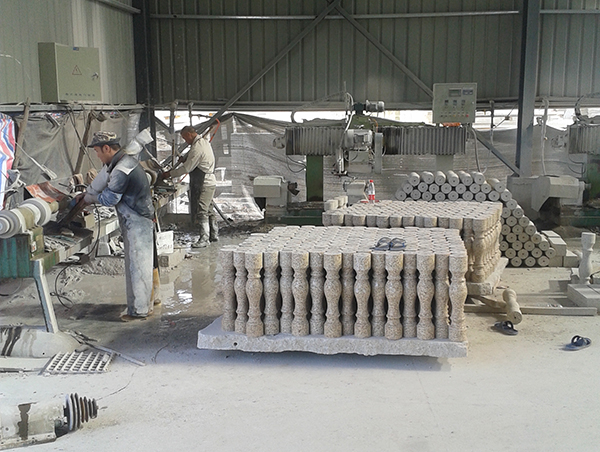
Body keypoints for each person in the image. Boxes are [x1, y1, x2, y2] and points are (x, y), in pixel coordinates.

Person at [78, 131, 155, 321]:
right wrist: (90, 192)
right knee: (142, 263)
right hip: (138, 216)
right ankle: (146, 304)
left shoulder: (121, 170)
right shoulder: (123, 161)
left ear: (106, 148)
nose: (97, 156)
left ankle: (139, 311)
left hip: (137, 220)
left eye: (97, 151)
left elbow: (110, 199)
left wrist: (90, 198)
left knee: (138, 265)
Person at [161, 125, 217, 248]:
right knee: (209, 208)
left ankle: (204, 239)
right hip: (207, 180)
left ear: (189, 134)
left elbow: (186, 168)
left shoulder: (197, 147)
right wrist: (185, 158)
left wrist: (169, 174)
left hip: (205, 182)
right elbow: (194, 158)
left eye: (185, 138)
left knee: (202, 210)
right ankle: (214, 234)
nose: (185, 141)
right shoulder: (203, 142)